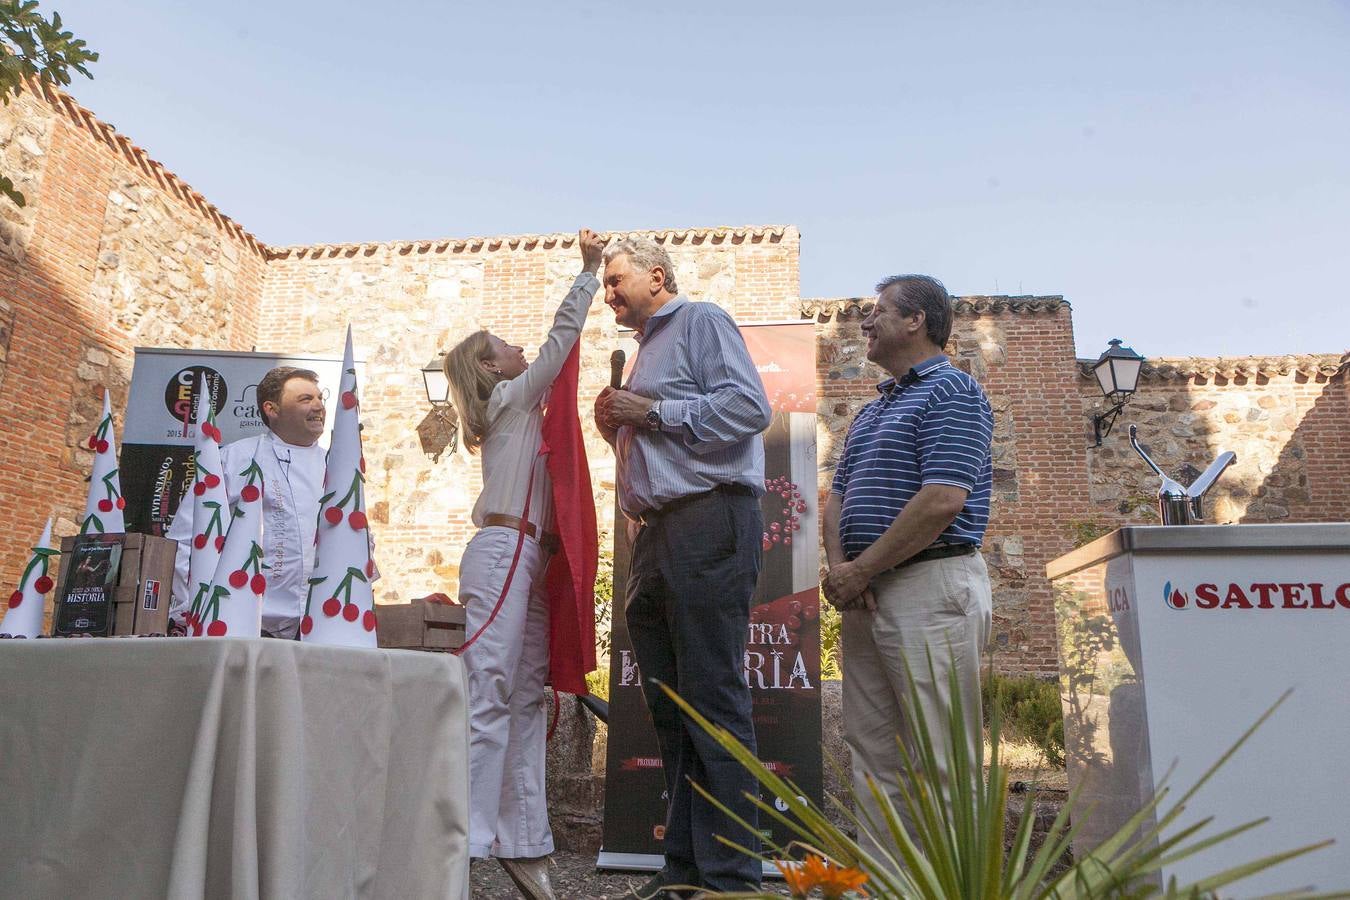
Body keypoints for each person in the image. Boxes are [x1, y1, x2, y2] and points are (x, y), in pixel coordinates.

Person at [594, 236, 771, 897]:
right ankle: (687, 872)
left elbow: (752, 410)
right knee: (672, 711)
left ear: (657, 276)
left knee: (713, 702)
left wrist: (652, 410)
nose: (608, 293)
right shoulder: (645, 351)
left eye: (615, 281)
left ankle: (730, 880)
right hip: (658, 533)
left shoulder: (701, 321)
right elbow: (661, 436)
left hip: (708, 520)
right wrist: (619, 428)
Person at [443, 227, 606, 900]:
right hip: (504, 549)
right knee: (488, 690)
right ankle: (466, 842)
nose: (513, 347)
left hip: (527, 556)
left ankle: (521, 837)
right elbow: (558, 342)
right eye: (499, 346)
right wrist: (588, 272)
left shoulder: (518, 411)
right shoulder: (510, 401)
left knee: (524, 695)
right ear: (490, 369)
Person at [821, 274, 994, 859]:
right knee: (871, 751)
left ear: (916, 319)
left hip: (930, 586)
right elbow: (836, 498)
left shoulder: (954, 392)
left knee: (940, 755)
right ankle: (887, 886)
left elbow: (944, 499)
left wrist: (860, 570)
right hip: (868, 592)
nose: (864, 323)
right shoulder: (871, 414)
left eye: (877, 311)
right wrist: (844, 569)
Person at [167, 366, 329, 638]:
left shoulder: (335, 466)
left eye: (320, 398)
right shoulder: (235, 459)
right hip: (247, 625)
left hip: (322, 626)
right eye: (305, 399)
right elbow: (188, 539)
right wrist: (201, 607)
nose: (318, 406)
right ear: (272, 409)